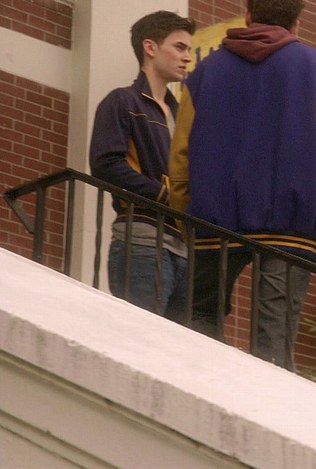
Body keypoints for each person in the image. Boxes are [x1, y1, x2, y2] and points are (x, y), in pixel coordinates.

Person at [168, 0, 316, 371]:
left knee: (199, 327)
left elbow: (180, 160)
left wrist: (187, 220)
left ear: (248, 14)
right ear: (297, 21)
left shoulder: (202, 74)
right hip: (288, 229)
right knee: (274, 345)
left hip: (212, 226)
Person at [89, 11, 195, 323]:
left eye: (189, 49)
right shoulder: (122, 101)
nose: (187, 57)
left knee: (175, 350)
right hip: (142, 240)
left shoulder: (182, 116)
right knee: (138, 338)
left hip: (184, 249)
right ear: (150, 47)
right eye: (179, 47)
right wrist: (165, 196)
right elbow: (106, 165)